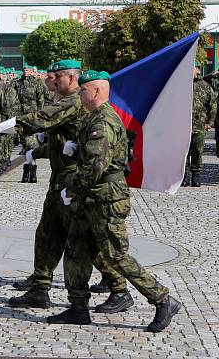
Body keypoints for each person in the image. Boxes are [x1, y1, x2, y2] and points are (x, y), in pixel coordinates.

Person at [0, 60, 129, 314]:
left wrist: (2, 128)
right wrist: (38, 150)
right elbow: (58, 135)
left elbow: (42, 119)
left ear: (71, 78)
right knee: (48, 233)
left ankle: (118, 288)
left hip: (75, 178)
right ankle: (40, 287)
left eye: (57, 76)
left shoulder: (73, 101)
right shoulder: (70, 99)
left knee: (85, 239)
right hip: (60, 176)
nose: (51, 79)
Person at [46, 70, 181, 332]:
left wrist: (70, 189)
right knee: (76, 250)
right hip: (92, 196)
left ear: (96, 91)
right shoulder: (92, 118)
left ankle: (163, 299)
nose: (80, 93)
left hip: (106, 198)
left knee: (115, 255)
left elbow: (94, 167)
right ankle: (77, 307)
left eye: (83, 89)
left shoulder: (103, 122)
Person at [185, 62, 217, 187]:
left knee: (197, 151)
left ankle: (196, 175)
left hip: (199, 125)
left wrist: (210, 122)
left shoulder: (205, 86)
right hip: (184, 126)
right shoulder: (181, 85)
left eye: (192, 68)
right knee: (185, 152)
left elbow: (213, 105)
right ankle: (185, 175)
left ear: (197, 70)